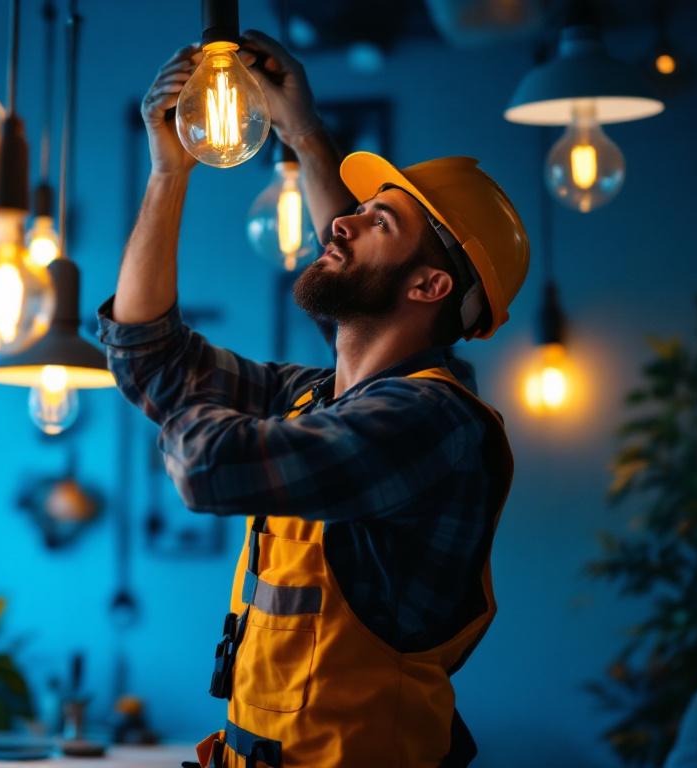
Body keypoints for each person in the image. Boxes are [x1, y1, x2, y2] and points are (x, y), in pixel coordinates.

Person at [97, 30, 530, 768]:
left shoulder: (433, 424)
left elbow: (211, 466)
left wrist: (189, 398)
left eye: (378, 221)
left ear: (429, 288)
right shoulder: (317, 400)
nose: (340, 223)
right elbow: (149, 357)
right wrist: (169, 172)